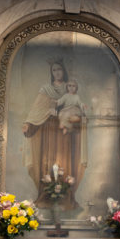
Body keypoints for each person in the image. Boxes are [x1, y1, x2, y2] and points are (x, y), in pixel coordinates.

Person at [21, 59, 87, 219]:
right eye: (54, 70)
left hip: (66, 135)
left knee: (66, 162)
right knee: (48, 161)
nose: (57, 72)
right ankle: (46, 196)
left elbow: (79, 110)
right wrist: (28, 122)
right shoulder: (46, 89)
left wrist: (78, 118)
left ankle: (66, 197)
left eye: (59, 69)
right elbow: (37, 109)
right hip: (49, 131)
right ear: (51, 73)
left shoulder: (70, 89)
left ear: (63, 70)